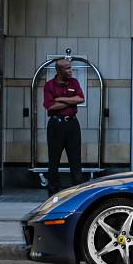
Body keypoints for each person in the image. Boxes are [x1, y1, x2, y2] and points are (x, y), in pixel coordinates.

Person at [42, 58, 85, 196]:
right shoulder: (49, 85)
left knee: (75, 160)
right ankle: (53, 194)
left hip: (72, 124)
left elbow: (81, 99)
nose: (70, 70)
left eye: (70, 68)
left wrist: (60, 99)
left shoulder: (74, 82)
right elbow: (51, 106)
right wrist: (71, 101)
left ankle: (77, 194)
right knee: (53, 161)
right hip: (56, 125)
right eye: (67, 68)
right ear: (59, 71)